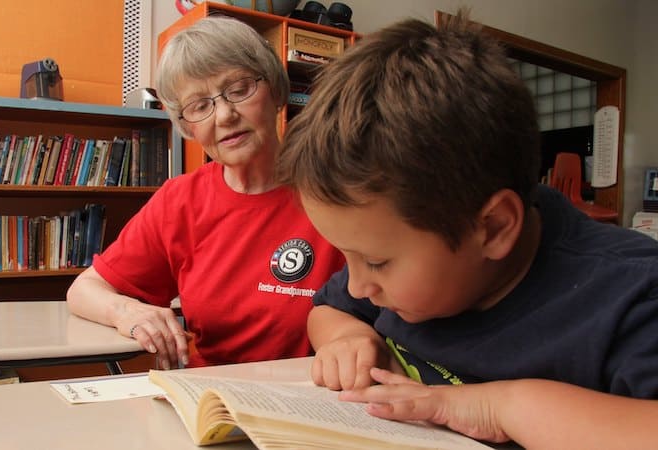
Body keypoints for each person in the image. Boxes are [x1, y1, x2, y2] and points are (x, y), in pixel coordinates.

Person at [275, 9, 658, 449]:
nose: (359, 285)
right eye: (349, 257)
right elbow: (329, 309)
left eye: (377, 263)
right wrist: (347, 338)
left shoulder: (632, 298)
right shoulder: (383, 277)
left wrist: (500, 407)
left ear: (493, 229)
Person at [66, 16, 344, 370]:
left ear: (274, 89)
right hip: (211, 401)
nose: (225, 115)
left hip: (313, 398)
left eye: (240, 89)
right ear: (187, 126)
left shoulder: (337, 186)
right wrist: (129, 311)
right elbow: (83, 290)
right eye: (200, 106)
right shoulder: (180, 200)